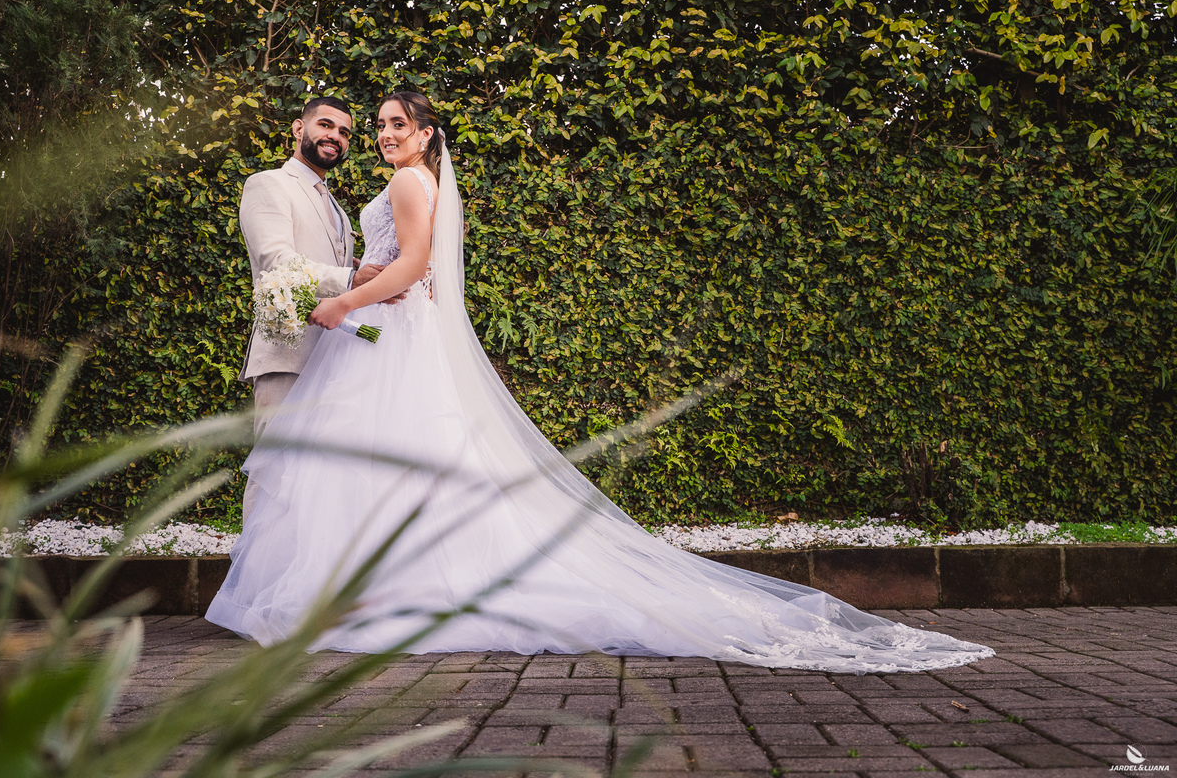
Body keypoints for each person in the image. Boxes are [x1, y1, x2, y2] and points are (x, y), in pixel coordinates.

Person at [207, 92, 994, 673]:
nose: (380, 135)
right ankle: (377, 589)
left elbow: (412, 267)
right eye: (373, 126)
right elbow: (376, 265)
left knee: (385, 468)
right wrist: (357, 291)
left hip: (385, 332)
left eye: (392, 125)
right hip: (382, 336)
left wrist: (346, 299)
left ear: (425, 133)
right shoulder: (367, 185)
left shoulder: (412, 183)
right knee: (394, 471)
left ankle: (376, 593)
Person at [236, 96, 389, 523]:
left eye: (344, 132)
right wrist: (350, 279)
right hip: (290, 354)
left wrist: (362, 271)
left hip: (337, 359)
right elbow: (276, 262)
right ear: (298, 129)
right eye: (325, 125)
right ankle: (257, 568)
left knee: (321, 483)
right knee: (275, 474)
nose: (335, 137)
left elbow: (328, 261)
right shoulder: (268, 184)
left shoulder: (337, 207)